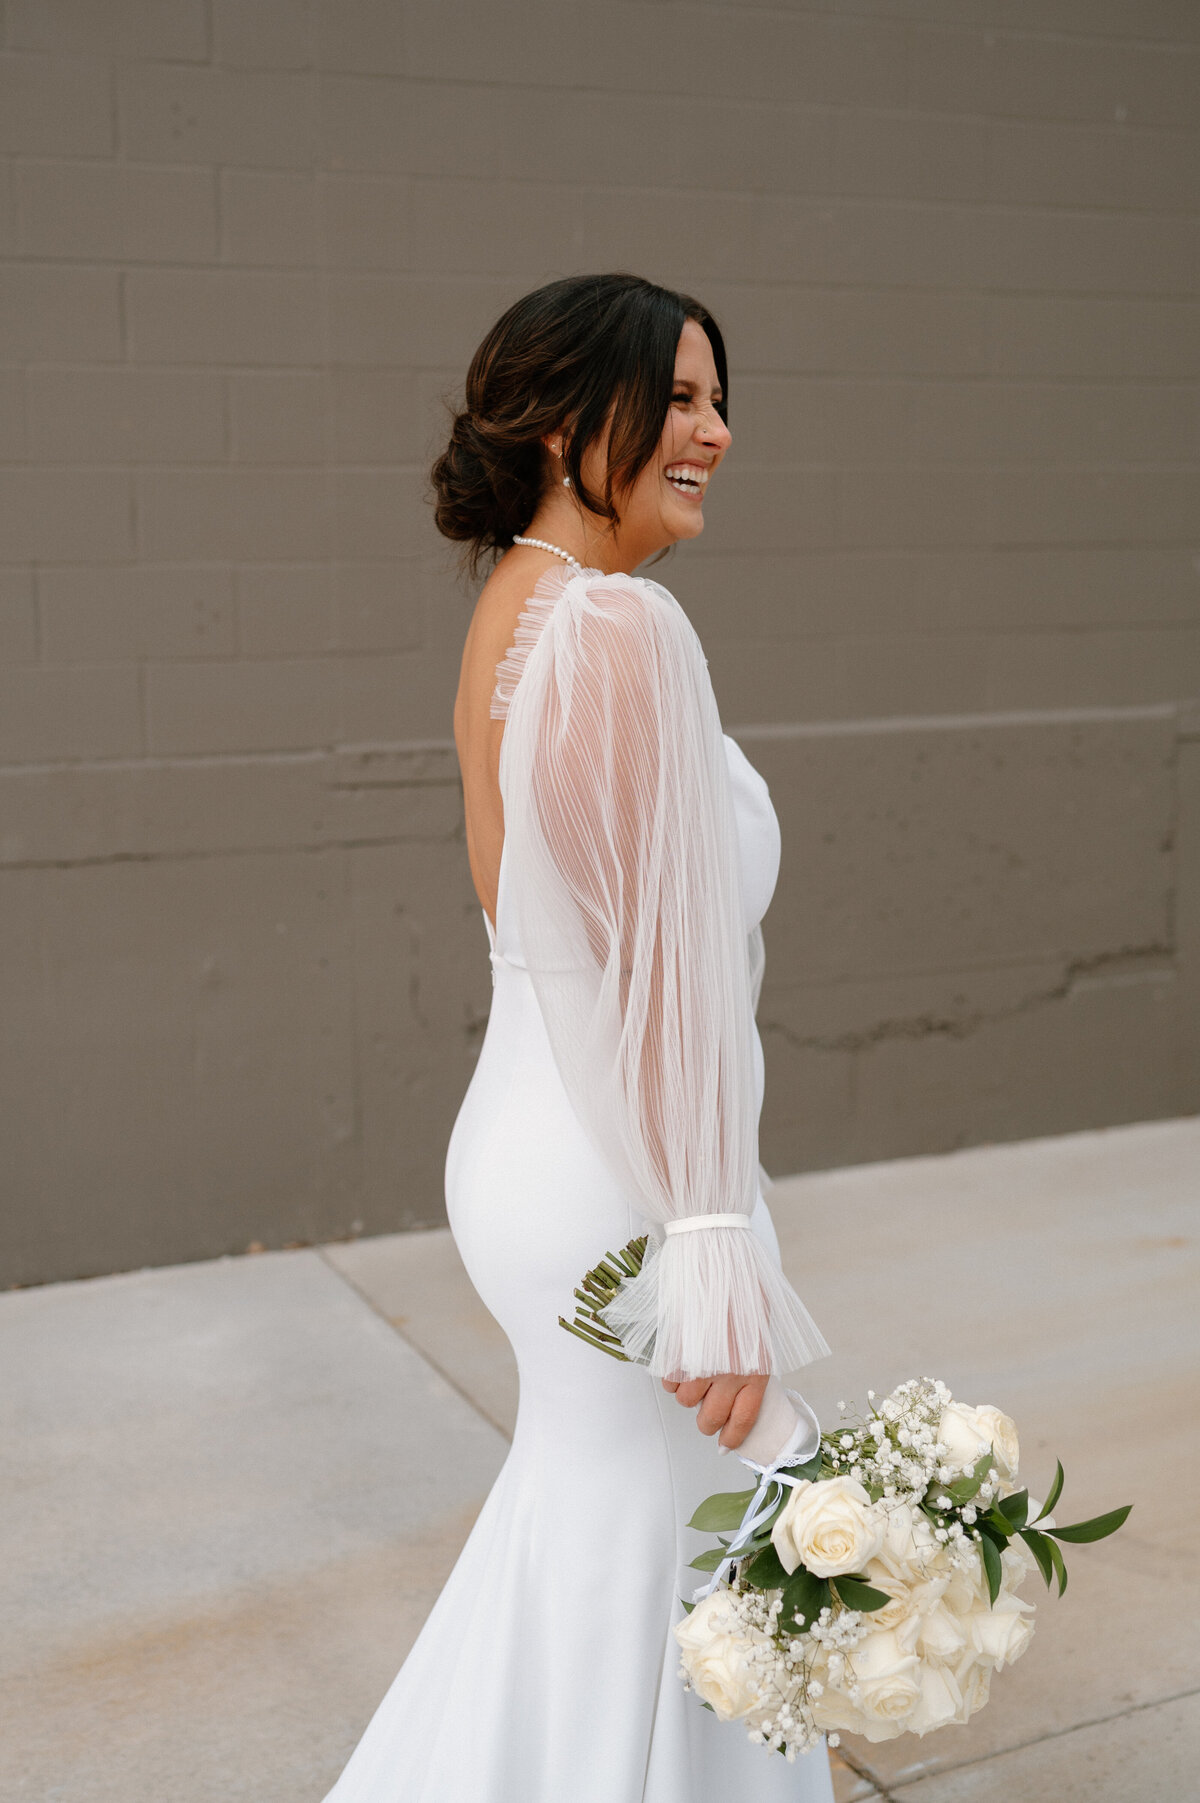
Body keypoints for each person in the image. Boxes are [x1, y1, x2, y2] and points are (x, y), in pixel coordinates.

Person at [323, 273, 833, 1803]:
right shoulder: (617, 629)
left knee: (610, 1544)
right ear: (564, 424)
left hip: (539, 1145)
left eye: (719, 400)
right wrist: (711, 1247)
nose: (715, 432)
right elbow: (652, 984)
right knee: (659, 1573)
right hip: (624, 1172)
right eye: (677, 399)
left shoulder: (516, 609)